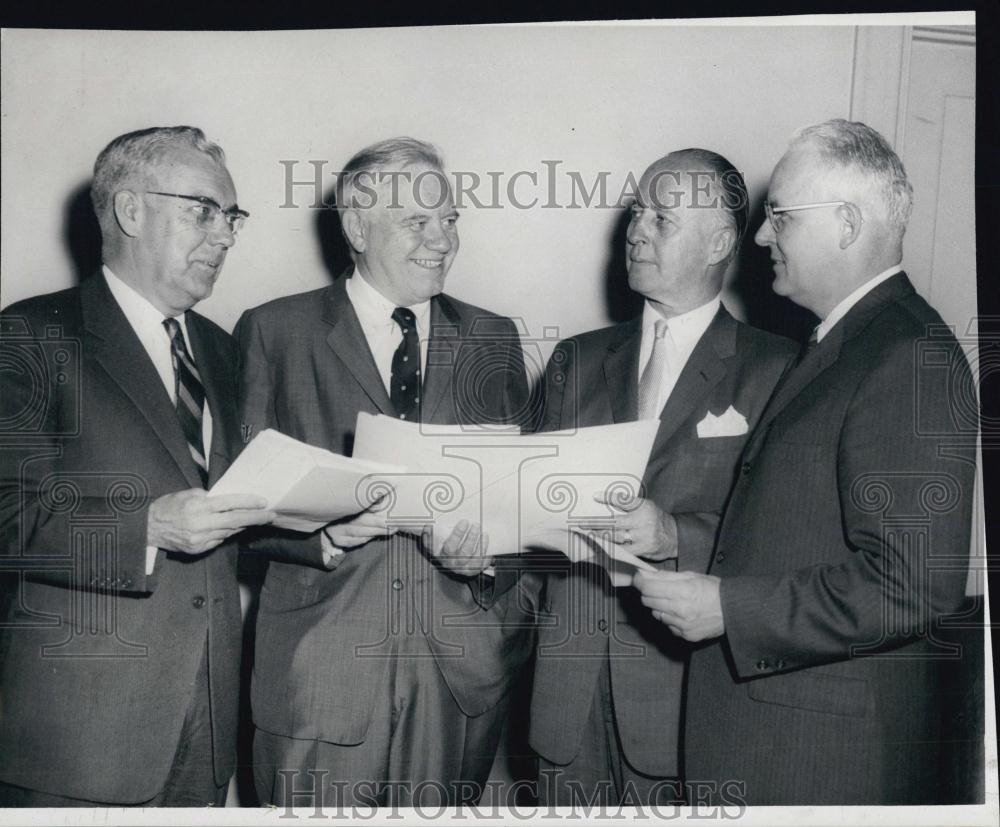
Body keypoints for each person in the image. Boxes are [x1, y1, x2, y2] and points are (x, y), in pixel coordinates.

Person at [634, 119, 979, 805]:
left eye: (782, 217)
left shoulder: (910, 354)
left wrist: (729, 607)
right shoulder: (843, 341)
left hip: (818, 757)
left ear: (847, 224)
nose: (762, 236)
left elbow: (911, 583)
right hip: (779, 740)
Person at [238, 137, 538, 808]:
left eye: (451, 219)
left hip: (458, 678)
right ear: (356, 227)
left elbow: (527, 509)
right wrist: (324, 535)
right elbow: (237, 509)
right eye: (419, 222)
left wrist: (490, 560)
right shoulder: (273, 332)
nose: (443, 240)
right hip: (321, 671)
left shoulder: (493, 338)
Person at [0, 126, 274, 806]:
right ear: (129, 210)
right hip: (80, 737)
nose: (225, 236)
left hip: (205, 728)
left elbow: (229, 510)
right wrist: (144, 529)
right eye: (204, 210)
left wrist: (323, 529)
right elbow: (7, 515)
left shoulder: (219, 348)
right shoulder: (32, 334)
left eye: (232, 217)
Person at [528, 149, 796, 805]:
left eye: (662, 216)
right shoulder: (575, 359)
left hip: (688, 702)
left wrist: (675, 532)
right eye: (637, 211)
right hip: (565, 702)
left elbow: (786, 535)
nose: (637, 229)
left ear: (720, 241)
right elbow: (524, 510)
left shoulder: (780, 369)